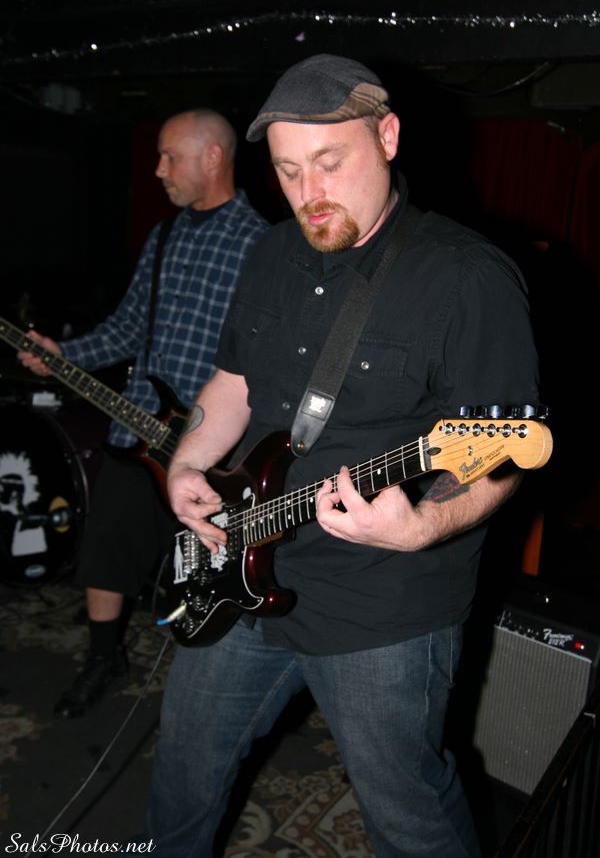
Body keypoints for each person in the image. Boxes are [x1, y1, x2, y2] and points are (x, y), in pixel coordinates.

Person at [141, 56, 541, 857]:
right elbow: (234, 382)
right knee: (182, 772)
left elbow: (502, 453)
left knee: (406, 812)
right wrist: (189, 462)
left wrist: (425, 523)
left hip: (382, 604)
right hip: (240, 572)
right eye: (288, 170)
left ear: (387, 137)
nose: (309, 190)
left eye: (329, 161)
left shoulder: (466, 277)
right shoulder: (268, 253)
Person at [17, 108, 269, 719]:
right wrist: (63, 356)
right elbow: (130, 326)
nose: (158, 170)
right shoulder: (163, 237)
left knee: (211, 577)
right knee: (106, 543)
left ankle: (222, 689)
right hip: (139, 429)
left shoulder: (263, 244)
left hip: (213, 450)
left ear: (213, 157)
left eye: (170, 156)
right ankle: (104, 657)